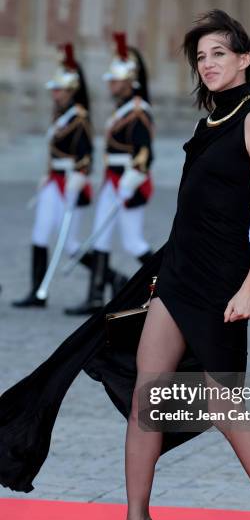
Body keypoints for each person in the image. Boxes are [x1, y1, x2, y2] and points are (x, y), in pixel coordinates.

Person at [0, 10, 250, 520]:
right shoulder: (207, 124)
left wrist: (249, 287)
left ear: (245, 58)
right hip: (175, 272)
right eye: (200, 57)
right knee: (149, 391)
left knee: (225, 406)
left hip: (221, 279)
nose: (208, 64)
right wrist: (159, 274)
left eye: (219, 53)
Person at [64, 34, 154, 316]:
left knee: (133, 242)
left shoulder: (139, 112)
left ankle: (167, 286)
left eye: (115, 80)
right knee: (100, 238)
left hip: (127, 182)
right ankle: (94, 296)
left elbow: (144, 154)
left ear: (130, 81)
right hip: (111, 181)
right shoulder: (123, 110)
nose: (110, 84)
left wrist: (130, 182)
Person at [12, 43, 93, 308]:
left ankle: (108, 278)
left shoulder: (79, 119)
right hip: (53, 181)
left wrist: (78, 178)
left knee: (70, 244)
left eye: (59, 90)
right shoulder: (59, 116)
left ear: (71, 91)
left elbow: (86, 156)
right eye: (54, 89)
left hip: (70, 183)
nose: (54, 94)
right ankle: (37, 292)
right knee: (40, 234)